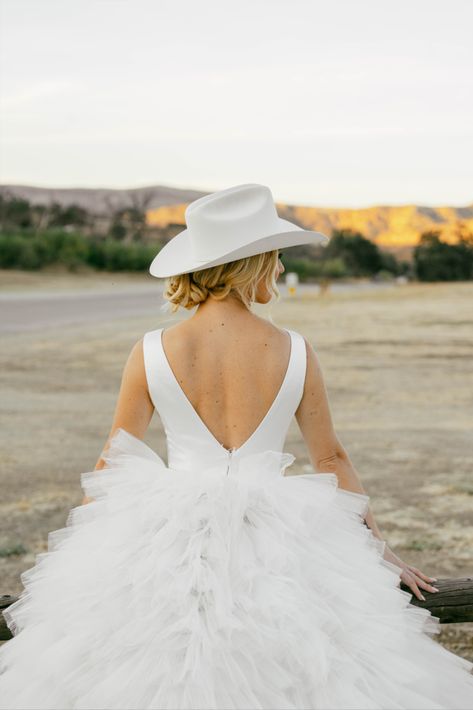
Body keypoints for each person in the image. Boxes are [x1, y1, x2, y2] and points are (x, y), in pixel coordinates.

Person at [1, 184, 472, 709]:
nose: (279, 269)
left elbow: (113, 458)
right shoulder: (294, 349)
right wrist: (381, 549)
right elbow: (331, 459)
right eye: (274, 257)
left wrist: (77, 554)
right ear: (252, 264)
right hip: (281, 537)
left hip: (168, 533)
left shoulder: (152, 349)